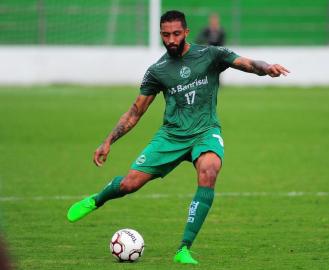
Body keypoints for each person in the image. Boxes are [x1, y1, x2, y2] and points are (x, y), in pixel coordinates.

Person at [67, 10, 289, 265]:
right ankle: (96, 200)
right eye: (165, 35)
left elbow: (247, 63)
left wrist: (267, 69)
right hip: (171, 136)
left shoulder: (210, 55)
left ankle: (184, 248)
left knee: (210, 170)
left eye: (175, 34)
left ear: (186, 32)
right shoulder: (158, 70)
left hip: (205, 131)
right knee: (130, 184)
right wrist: (108, 141)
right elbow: (135, 111)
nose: (170, 40)